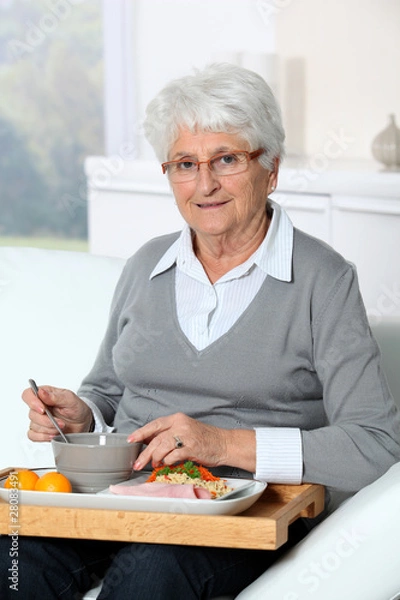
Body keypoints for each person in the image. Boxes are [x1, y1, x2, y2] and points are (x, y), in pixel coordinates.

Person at [1, 62, 400, 599]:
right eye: (185, 163)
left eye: (227, 159)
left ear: (272, 167)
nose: (205, 184)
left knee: (151, 572)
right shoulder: (145, 267)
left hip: (238, 509)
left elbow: (375, 443)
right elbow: (109, 391)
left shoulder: (323, 281)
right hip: (120, 493)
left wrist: (224, 444)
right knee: (15, 557)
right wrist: (83, 413)